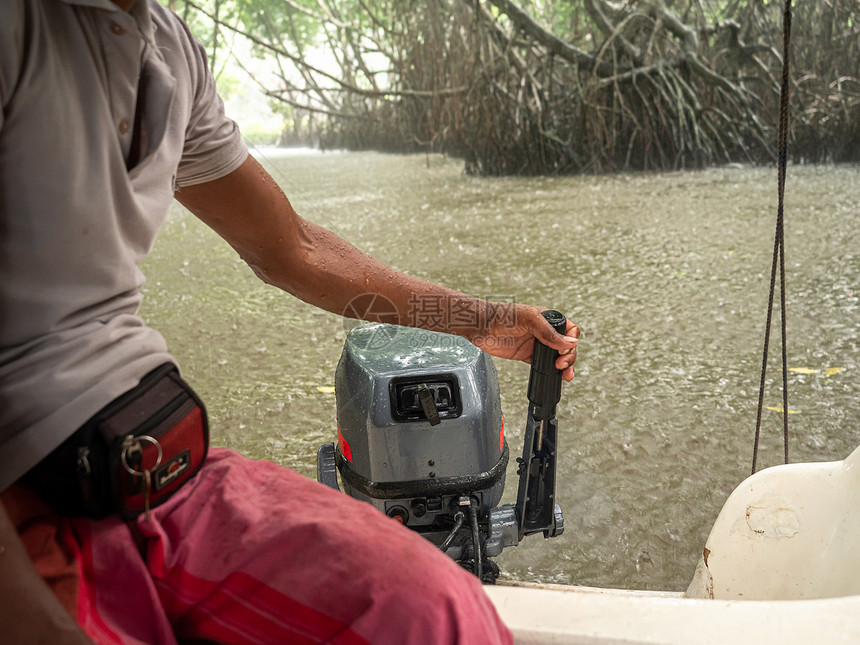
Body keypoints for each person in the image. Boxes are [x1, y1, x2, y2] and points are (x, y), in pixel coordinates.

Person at [0, 0, 579, 643]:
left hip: (149, 463)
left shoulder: (169, 49)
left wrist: (480, 320)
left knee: (438, 617)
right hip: (23, 486)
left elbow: (293, 249)